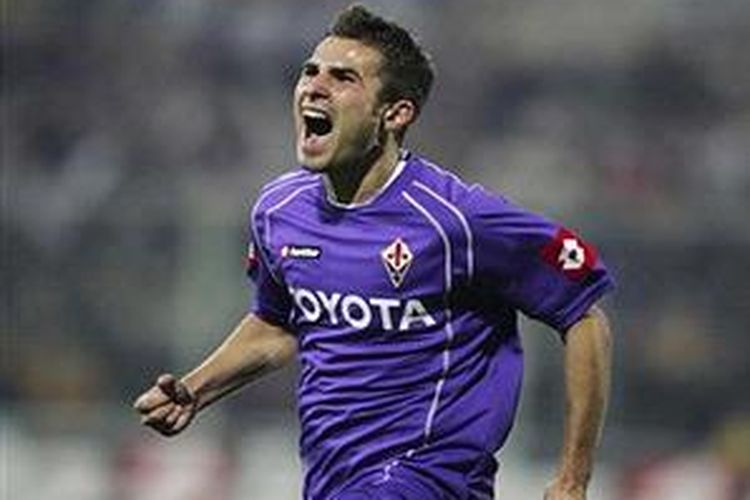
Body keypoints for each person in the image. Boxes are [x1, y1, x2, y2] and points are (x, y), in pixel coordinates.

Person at [133, 5, 614, 499]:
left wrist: (572, 479)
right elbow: (278, 325)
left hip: (427, 480)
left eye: (343, 78)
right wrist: (195, 390)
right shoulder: (279, 211)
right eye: (311, 71)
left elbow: (583, 314)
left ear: (395, 113)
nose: (315, 87)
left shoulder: (456, 221)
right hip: (332, 480)